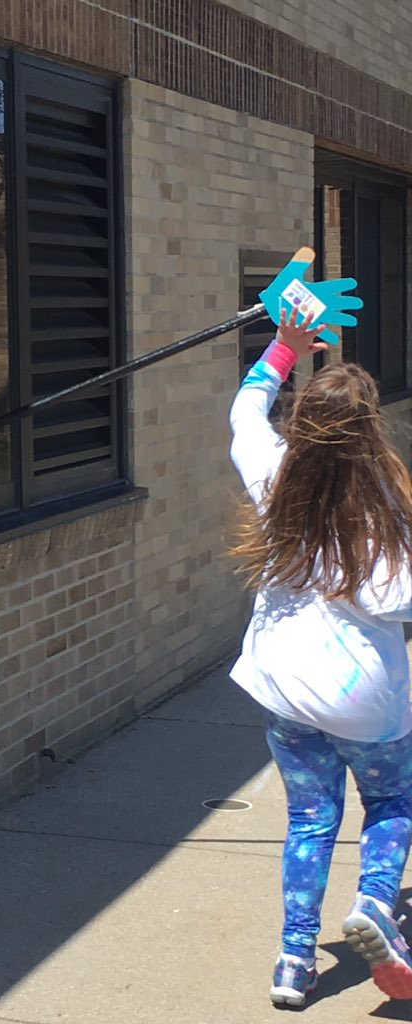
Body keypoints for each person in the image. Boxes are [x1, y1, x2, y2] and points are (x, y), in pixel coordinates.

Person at [229, 307, 412, 1008]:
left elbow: (245, 411)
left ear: (302, 422)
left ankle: (294, 960)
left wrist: (283, 347)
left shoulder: (274, 474)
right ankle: (374, 903)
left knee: (309, 819)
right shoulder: (388, 506)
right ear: (371, 432)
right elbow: (397, 599)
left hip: (284, 688)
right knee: (392, 800)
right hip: (363, 697)